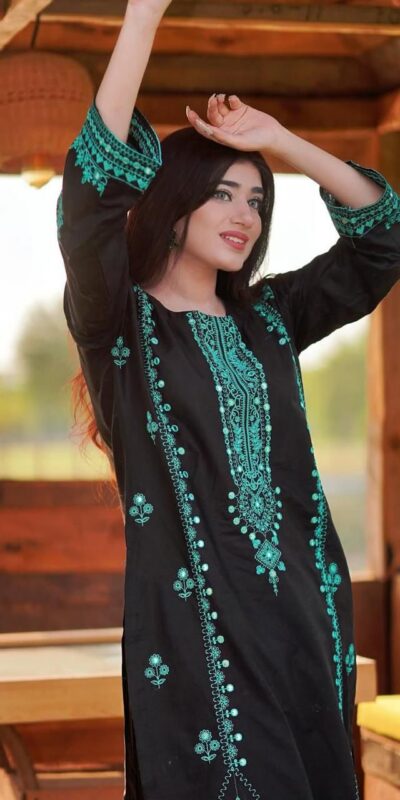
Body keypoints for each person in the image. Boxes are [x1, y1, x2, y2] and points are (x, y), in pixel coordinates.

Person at [56, 1, 400, 797]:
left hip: (304, 621)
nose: (245, 214)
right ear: (173, 201)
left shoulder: (269, 318)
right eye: (222, 193)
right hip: (197, 639)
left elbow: (383, 239)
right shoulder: (119, 325)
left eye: (256, 199)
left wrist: (279, 140)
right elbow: (89, 201)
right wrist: (143, 17)